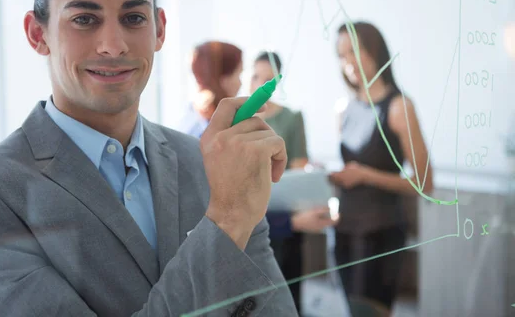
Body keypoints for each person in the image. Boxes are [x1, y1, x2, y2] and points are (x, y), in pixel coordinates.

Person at [0, 0, 298, 317]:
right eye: (85, 19)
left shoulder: (207, 165)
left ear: (159, 29)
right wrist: (226, 220)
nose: (113, 44)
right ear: (38, 34)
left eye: (133, 17)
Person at [182, 48, 336, 314]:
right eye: (244, 75)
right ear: (222, 77)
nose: (246, 83)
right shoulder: (206, 130)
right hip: (237, 240)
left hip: (267, 231)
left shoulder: (280, 118)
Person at [328, 22, 434, 310]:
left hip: (380, 233)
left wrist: (365, 175)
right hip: (344, 231)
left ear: (375, 51)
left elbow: (425, 183)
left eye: (353, 51)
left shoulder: (399, 106)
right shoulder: (344, 109)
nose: (346, 61)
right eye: (340, 54)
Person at [251, 51, 336, 313]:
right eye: (255, 77)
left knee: (287, 294)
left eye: (268, 79)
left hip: (284, 218)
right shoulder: (239, 119)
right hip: (252, 215)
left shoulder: (291, 118)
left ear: (277, 82)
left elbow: (298, 170)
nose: (259, 84)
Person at [177, 41, 243, 138]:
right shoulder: (201, 130)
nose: (240, 83)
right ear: (222, 79)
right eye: (238, 75)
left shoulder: (192, 117)